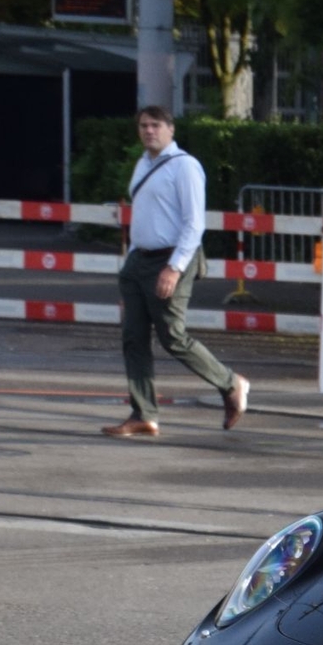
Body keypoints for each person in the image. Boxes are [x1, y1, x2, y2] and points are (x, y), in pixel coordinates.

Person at [102, 105, 247, 439]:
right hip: (140, 260)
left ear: (170, 129)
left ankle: (231, 383)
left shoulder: (185, 167)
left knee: (172, 335)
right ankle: (143, 414)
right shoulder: (143, 164)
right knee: (133, 338)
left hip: (170, 259)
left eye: (155, 125)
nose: (149, 131)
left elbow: (194, 224)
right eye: (143, 126)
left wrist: (174, 268)